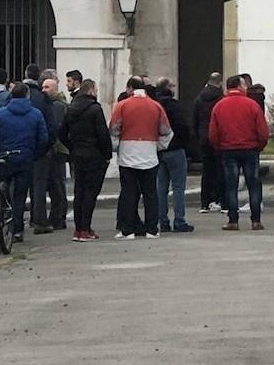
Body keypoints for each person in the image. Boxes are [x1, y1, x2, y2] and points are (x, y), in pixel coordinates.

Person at [0, 80, 49, 241]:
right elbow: (43, 138)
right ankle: (17, 229)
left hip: (6, 157)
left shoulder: (2, 113)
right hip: (25, 158)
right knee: (20, 196)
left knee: (3, 190)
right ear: (27, 95)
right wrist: (35, 154)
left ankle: (1, 217)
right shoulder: (35, 114)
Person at [110, 76, 171, 238]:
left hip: (127, 154)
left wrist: (117, 147)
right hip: (149, 154)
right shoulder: (155, 106)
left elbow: (114, 130)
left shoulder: (122, 105)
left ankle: (128, 229)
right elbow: (166, 131)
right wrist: (157, 146)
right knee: (150, 193)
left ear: (130, 88)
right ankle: (152, 229)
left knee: (129, 193)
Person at [208, 74, 271, 231]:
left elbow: (213, 133)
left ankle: (233, 220)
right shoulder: (252, 105)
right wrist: (259, 146)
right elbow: (262, 131)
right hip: (250, 149)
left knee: (231, 186)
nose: (246, 87)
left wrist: (219, 147)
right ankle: (256, 220)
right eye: (244, 85)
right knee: (253, 184)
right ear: (238, 86)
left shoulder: (219, 106)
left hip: (228, 150)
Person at [60, 79, 112, 240]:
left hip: (78, 154)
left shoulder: (70, 108)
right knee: (90, 192)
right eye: (96, 90)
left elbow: (61, 133)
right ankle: (85, 228)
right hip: (94, 155)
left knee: (79, 191)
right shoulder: (95, 109)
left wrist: (72, 147)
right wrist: (107, 154)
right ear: (90, 91)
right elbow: (102, 134)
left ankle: (78, 229)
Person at [154, 78, 195, 233]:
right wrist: (185, 143)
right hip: (175, 149)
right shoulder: (173, 105)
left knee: (161, 188)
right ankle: (179, 220)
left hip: (159, 150)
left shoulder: (155, 105)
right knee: (178, 187)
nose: (174, 88)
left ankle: (163, 221)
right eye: (172, 85)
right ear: (167, 88)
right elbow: (182, 126)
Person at [34, 69, 71, 233]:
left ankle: (58, 217)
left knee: (56, 185)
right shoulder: (53, 104)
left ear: (55, 89)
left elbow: (54, 129)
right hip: (56, 149)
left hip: (56, 150)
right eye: (43, 87)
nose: (44, 90)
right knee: (55, 184)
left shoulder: (56, 106)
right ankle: (57, 217)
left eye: (47, 87)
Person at [194, 72, 226, 214]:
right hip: (219, 139)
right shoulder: (221, 99)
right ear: (220, 83)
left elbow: (195, 120)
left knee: (206, 171)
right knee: (221, 170)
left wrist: (198, 136)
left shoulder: (199, 98)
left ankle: (205, 203)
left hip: (204, 138)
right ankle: (221, 201)